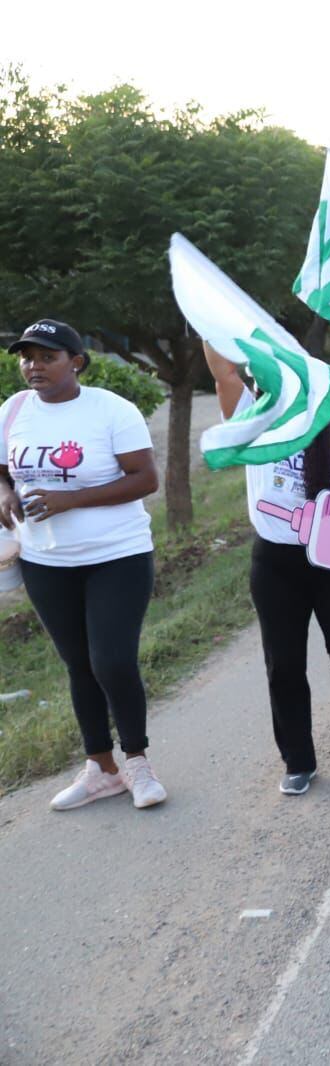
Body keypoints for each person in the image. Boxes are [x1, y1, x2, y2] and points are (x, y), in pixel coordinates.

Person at [202, 344, 330, 796]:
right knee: (283, 664)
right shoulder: (257, 425)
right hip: (277, 564)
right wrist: (209, 318)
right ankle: (298, 760)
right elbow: (224, 374)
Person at [0, 320, 163, 810]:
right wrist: (5, 492)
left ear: (76, 362)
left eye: (47, 357)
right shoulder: (13, 410)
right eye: (26, 357)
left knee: (112, 661)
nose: (33, 365)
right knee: (78, 665)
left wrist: (71, 499)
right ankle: (101, 769)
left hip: (117, 556)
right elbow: (3, 470)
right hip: (45, 561)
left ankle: (137, 763)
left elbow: (145, 478)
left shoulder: (111, 410)